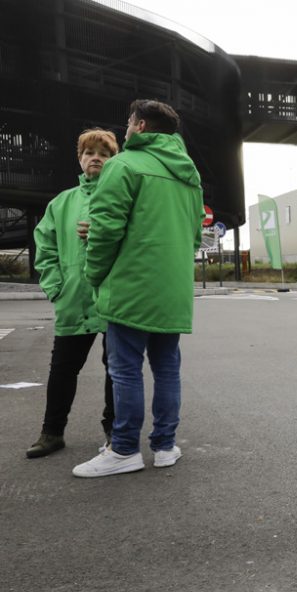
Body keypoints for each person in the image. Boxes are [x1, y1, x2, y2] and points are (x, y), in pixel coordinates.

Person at [72, 99, 204, 478]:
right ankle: (164, 446)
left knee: (126, 370)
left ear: (140, 126)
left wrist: (93, 274)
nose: (126, 130)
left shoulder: (123, 166)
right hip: (172, 291)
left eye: (128, 124)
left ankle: (125, 449)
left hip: (131, 286)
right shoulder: (189, 175)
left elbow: (106, 231)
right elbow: (195, 236)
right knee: (167, 369)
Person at [27, 129, 120, 459]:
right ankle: (52, 432)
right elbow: (45, 248)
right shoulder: (61, 203)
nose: (95, 158)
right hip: (74, 300)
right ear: (79, 160)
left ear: (113, 161)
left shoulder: (123, 199)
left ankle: (114, 434)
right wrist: (56, 288)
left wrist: (104, 232)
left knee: (117, 371)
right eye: (89, 153)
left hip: (115, 300)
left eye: (104, 154)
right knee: (63, 369)